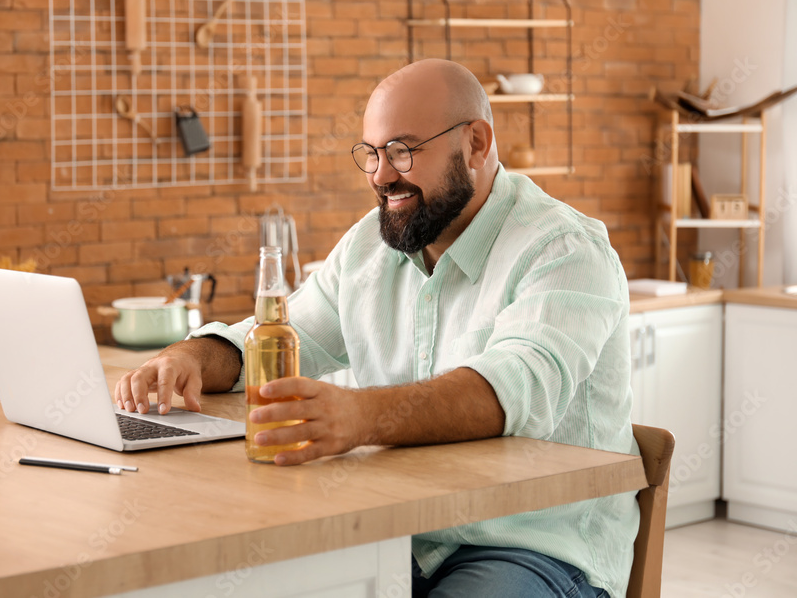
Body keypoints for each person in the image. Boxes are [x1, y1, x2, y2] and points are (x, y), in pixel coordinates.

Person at [113, 59, 638, 598]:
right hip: (398, 531)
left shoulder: (565, 250)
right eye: (372, 154)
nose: (382, 176)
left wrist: (358, 417)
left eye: (404, 151)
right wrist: (190, 358)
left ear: (476, 144)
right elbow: (280, 335)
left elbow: (515, 388)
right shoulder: (369, 245)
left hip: (532, 545)